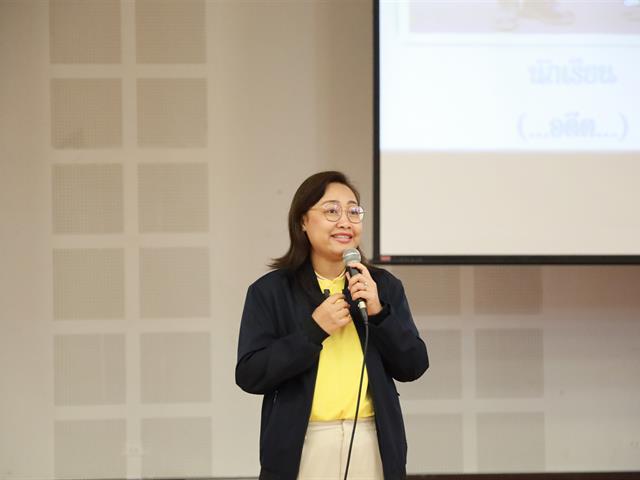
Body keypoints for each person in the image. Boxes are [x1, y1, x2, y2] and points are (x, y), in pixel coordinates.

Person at [235, 171, 428, 479]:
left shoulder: (381, 286)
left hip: (371, 440)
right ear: (302, 221)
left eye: (353, 212)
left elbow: (413, 365)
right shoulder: (271, 291)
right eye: (331, 211)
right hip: (303, 442)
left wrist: (379, 313)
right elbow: (250, 374)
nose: (345, 222)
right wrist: (313, 331)